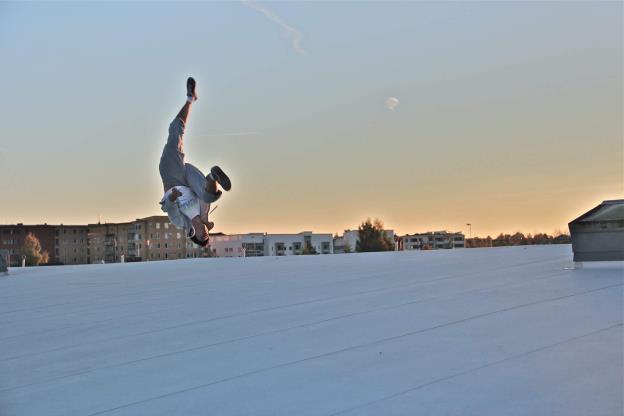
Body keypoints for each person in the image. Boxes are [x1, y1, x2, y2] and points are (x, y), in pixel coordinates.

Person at [158, 77, 231, 247]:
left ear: (194, 235)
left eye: (202, 236)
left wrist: (173, 197)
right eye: (207, 235)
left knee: (175, 131)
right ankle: (213, 176)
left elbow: (169, 208)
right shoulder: (204, 213)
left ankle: (190, 99)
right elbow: (203, 196)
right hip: (189, 178)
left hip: (173, 177)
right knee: (208, 196)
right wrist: (205, 219)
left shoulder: (181, 222)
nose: (205, 233)